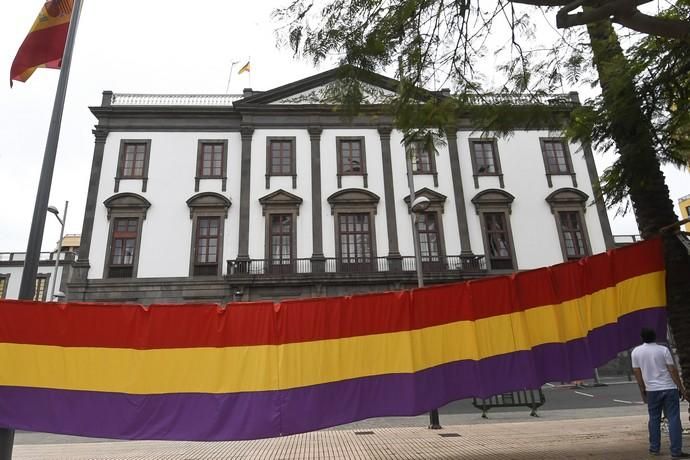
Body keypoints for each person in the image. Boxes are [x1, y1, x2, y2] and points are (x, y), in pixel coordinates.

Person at [632, 327, 690, 458]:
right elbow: (672, 370)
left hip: (652, 390)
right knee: (673, 418)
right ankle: (676, 451)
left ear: (642, 338)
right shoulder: (663, 350)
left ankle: (654, 448)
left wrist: (643, 390)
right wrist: (680, 387)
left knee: (654, 418)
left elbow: (637, 373)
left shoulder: (636, 352)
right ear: (655, 337)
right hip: (669, 388)